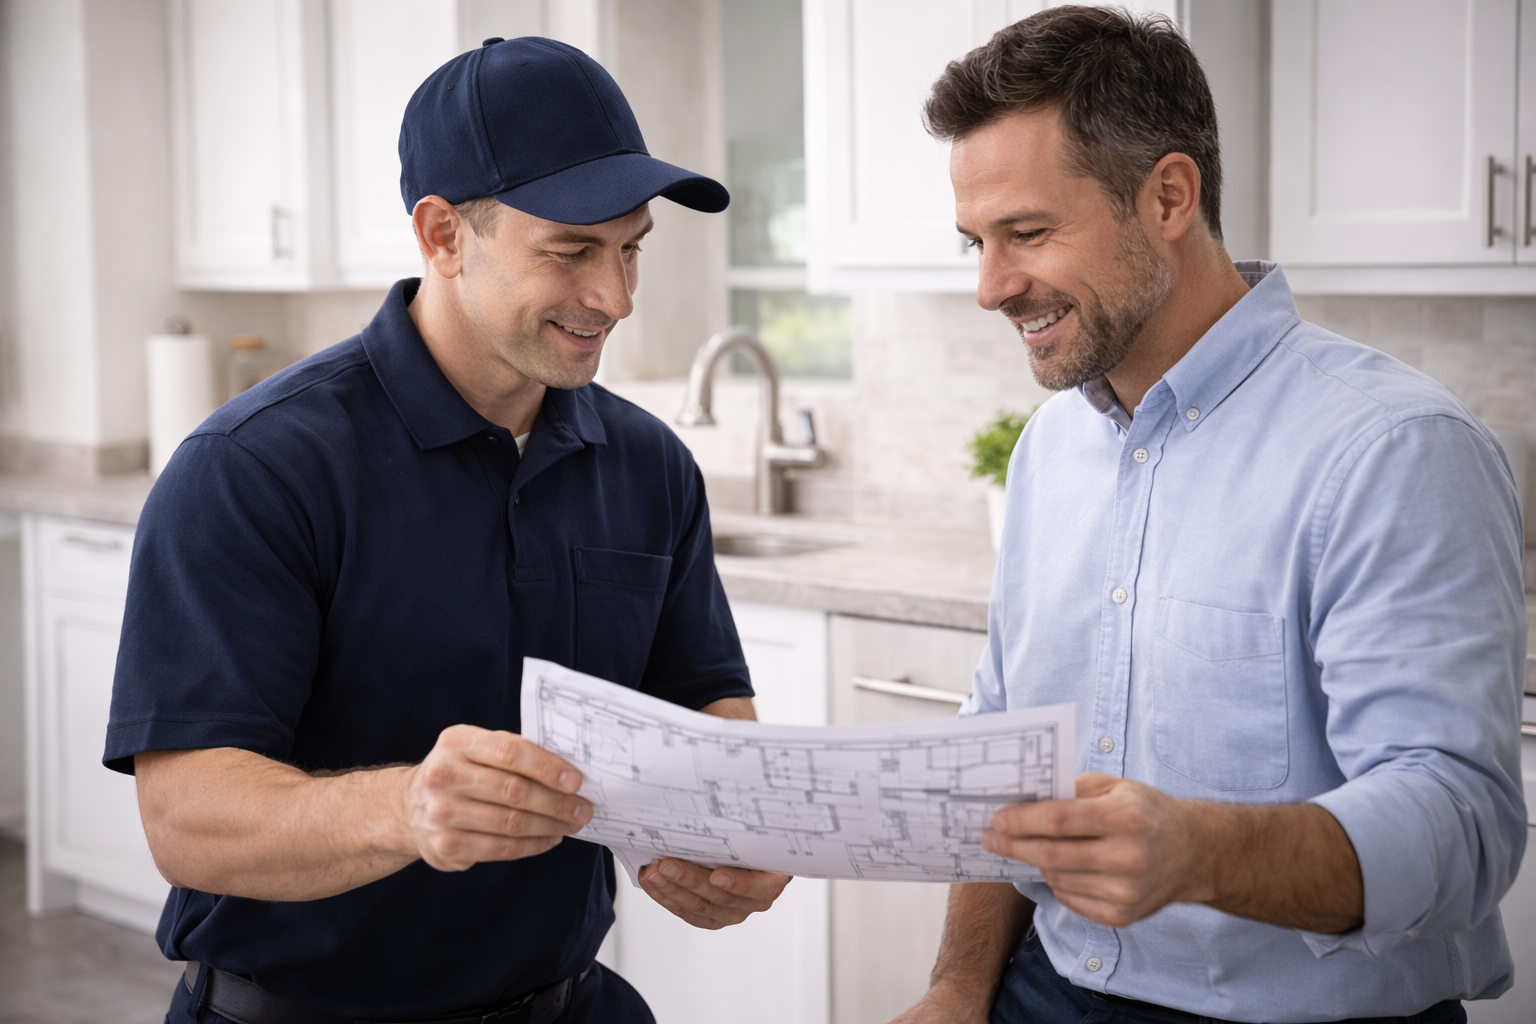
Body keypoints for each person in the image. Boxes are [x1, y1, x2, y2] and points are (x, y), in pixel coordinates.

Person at [106, 36, 789, 1024]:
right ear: (442, 235)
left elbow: (706, 703)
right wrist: (406, 809)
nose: (616, 297)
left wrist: (741, 829)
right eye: (570, 251)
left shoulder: (648, 465)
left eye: (631, 246)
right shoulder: (254, 468)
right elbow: (186, 820)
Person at [892, 7, 1527, 1024]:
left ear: (1170, 196)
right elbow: (1008, 748)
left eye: (1028, 232)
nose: (990, 286)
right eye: (976, 241)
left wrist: (1199, 854)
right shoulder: (1050, 451)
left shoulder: (1393, 450)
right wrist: (959, 987)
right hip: (1042, 992)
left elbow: (1463, 823)